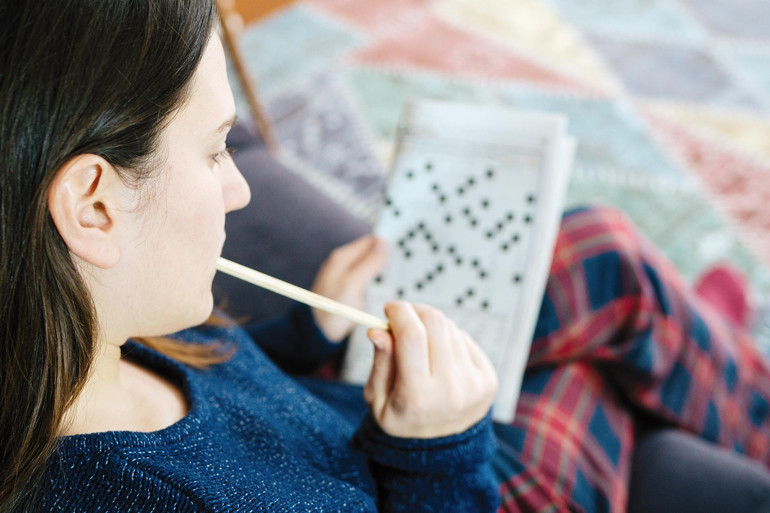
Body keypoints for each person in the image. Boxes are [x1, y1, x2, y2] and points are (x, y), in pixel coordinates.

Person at [1, 1, 769, 512]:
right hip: (443, 480)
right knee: (605, 314)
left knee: (598, 254)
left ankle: (693, 338)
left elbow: (223, 379)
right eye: (214, 152)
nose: (239, 189)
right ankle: (699, 349)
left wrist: (309, 332)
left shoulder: (86, 336)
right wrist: (440, 448)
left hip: (360, 418)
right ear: (94, 206)